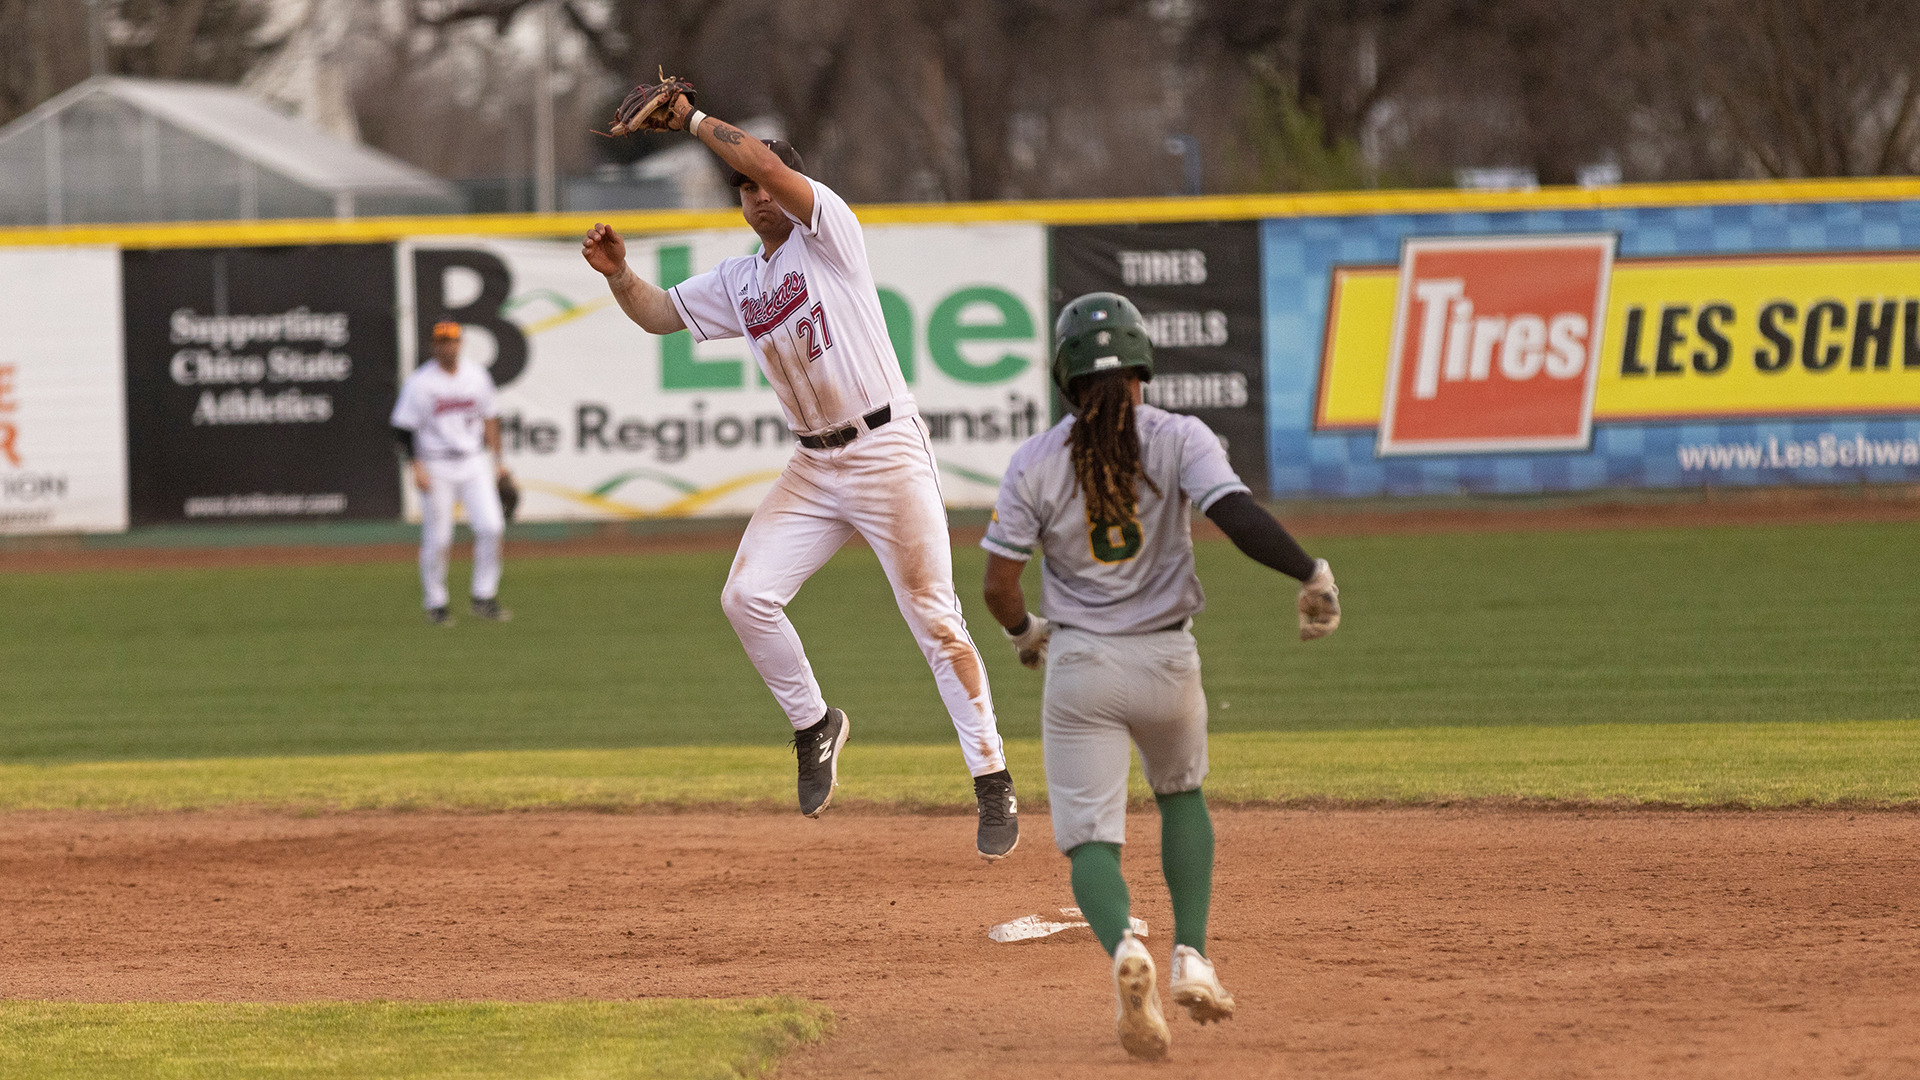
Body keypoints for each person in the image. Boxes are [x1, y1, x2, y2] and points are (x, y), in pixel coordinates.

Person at [579, 94, 1019, 859]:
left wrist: (692, 120)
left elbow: (761, 159)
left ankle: (992, 778)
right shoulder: (740, 281)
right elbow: (658, 315)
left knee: (933, 616)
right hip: (815, 464)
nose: (755, 196)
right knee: (746, 596)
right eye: (744, 190)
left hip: (885, 449)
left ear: (789, 184)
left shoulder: (828, 234)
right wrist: (620, 275)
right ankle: (815, 724)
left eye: (764, 183)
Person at [980, 292, 1342, 1059]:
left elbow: (998, 585)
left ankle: (1125, 949)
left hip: (1081, 667)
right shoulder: (1181, 437)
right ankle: (1193, 957)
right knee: (1181, 794)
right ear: (1142, 365)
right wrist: (1309, 572)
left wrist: (1024, 634)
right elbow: (1237, 516)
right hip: (1168, 661)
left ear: (1066, 377)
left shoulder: (1034, 461)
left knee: (1090, 839)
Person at [390, 319, 512, 626]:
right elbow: (403, 429)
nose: (449, 346)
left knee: (492, 527)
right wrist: (416, 466)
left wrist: (499, 462)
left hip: (473, 461)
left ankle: (484, 596)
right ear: (434, 346)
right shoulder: (420, 382)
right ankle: (436, 602)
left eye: (453, 341)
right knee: (439, 538)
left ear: (460, 344)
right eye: (443, 342)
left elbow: (490, 418)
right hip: (435, 464)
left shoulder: (477, 376)